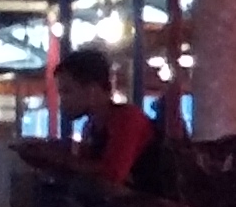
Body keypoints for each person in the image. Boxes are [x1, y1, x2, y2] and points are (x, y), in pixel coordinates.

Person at [49, 47, 164, 193]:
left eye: (67, 91)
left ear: (92, 90)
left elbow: (112, 174)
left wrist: (60, 158)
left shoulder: (127, 119)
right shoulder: (90, 127)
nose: (62, 101)